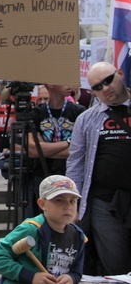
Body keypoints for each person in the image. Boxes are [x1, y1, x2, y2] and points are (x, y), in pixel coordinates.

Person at [66, 62, 131, 275]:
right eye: (97, 87)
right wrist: (72, 204)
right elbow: (75, 164)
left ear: (120, 74)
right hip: (103, 203)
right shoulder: (86, 119)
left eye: (108, 81)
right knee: (115, 265)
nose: (105, 89)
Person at [0, 175, 87, 284]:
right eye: (59, 200)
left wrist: (71, 278)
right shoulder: (30, 229)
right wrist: (30, 277)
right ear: (42, 204)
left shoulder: (78, 236)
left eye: (72, 201)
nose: (67, 206)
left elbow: (77, 272)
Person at [26, 84, 85, 216]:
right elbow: (34, 151)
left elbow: (81, 151)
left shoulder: (79, 112)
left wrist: (46, 149)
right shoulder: (36, 114)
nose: (69, 84)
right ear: (50, 84)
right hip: (42, 174)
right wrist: (69, 143)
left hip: (70, 174)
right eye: (63, 80)